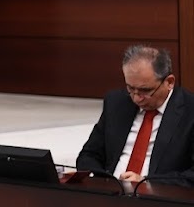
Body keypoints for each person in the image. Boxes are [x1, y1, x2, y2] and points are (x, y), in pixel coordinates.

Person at [76, 45, 194, 183]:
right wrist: (104, 182)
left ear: (169, 82)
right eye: (130, 88)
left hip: (159, 199)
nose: (137, 98)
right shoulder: (116, 102)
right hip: (111, 194)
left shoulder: (189, 111)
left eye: (145, 91)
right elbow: (89, 155)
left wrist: (145, 182)